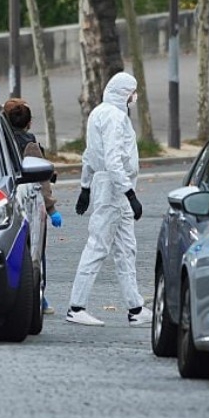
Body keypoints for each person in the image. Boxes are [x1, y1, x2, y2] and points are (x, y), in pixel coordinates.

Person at [64, 71, 150, 327]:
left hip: (110, 186)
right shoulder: (115, 117)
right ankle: (76, 306)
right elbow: (113, 160)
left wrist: (85, 186)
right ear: (126, 93)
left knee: (126, 249)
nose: (135, 97)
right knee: (98, 245)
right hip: (115, 188)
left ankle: (135, 308)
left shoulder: (99, 113)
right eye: (133, 92)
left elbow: (90, 155)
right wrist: (130, 193)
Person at [3, 98, 61, 315]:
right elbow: (42, 181)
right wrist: (52, 209)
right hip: (30, 204)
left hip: (7, 200)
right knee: (35, 251)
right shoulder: (31, 144)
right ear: (28, 123)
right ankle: (39, 297)